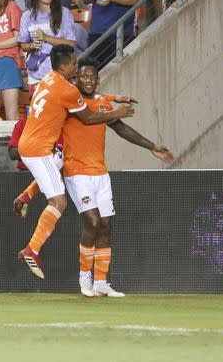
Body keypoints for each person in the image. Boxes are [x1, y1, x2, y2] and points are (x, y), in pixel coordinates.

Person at [17, 44, 135, 279]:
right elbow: (89, 116)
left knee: (57, 168)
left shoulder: (48, 79)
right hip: (39, 149)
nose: (76, 66)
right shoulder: (67, 90)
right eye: (73, 63)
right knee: (59, 202)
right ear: (64, 66)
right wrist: (116, 111)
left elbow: (84, 97)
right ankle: (32, 249)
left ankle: (26, 196)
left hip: (32, 146)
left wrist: (111, 97)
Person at [63, 59, 174, 297]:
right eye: (84, 76)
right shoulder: (72, 102)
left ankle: (101, 282)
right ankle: (85, 276)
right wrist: (116, 108)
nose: (89, 80)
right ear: (76, 79)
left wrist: (151, 146)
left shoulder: (104, 103)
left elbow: (121, 128)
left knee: (105, 226)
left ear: (98, 80)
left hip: (100, 173)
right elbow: (87, 118)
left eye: (93, 77)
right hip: (77, 172)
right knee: (92, 222)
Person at [18, 0, 75, 86]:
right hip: (36, 73)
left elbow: (71, 44)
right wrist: (32, 46)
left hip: (60, 72)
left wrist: (46, 38)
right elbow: (23, 45)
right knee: (39, 103)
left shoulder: (64, 13)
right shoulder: (27, 16)